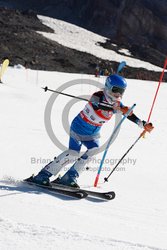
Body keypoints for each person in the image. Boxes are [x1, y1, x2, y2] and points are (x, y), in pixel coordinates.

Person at [32, 74, 154, 187]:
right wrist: (116, 108)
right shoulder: (98, 96)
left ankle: (69, 177)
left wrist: (142, 124)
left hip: (93, 133)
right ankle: (43, 175)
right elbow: (98, 105)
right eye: (116, 90)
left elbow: (129, 114)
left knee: (93, 151)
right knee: (73, 153)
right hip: (79, 128)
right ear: (108, 87)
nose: (118, 94)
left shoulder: (118, 103)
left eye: (121, 91)